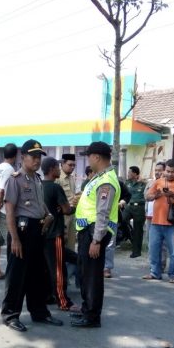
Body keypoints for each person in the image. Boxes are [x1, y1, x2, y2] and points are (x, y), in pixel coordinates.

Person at [1, 139, 62, 332]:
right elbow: (9, 211)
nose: (37, 160)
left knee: (38, 274)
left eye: (39, 156)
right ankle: (10, 315)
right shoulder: (15, 179)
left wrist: (48, 214)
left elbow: (39, 203)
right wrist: (15, 239)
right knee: (17, 275)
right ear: (23, 157)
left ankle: (39, 312)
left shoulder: (36, 179)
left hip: (37, 229)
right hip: (21, 231)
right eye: (33, 156)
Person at [71, 141, 121, 328]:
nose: (88, 160)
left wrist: (96, 240)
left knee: (92, 276)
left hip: (94, 232)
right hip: (89, 231)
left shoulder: (106, 181)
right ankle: (87, 309)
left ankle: (92, 316)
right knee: (86, 272)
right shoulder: (100, 177)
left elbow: (103, 213)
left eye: (89, 157)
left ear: (97, 157)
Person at [41, 157, 79, 312]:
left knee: (46, 267)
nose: (59, 169)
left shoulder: (39, 186)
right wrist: (76, 205)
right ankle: (63, 302)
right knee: (58, 269)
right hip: (54, 233)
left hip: (43, 234)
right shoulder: (55, 187)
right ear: (52, 169)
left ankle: (47, 296)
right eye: (57, 167)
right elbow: (66, 210)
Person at [143, 159, 174, 282]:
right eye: (167, 171)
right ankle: (155, 272)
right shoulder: (158, 182)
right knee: (154, 249)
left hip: (173, 223)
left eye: (172, 172)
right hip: (156, 222)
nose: (169, 174)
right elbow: (147, 196)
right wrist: (156, 195)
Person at [0, 143, 18, 280]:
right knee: (11, 241)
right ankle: (12, 273)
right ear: (15, 155)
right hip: (4, 211)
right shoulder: (9, 169)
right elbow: (1, 191)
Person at [104, 179, 131, 278]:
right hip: (94, 217)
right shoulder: (94, 181)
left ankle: (107, 268)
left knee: (110, 243)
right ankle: (95, 267)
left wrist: (122, 202)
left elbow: (127, 195)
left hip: (112, 217)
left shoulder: (116, 182)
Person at [121, 166, 146, 258]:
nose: (128, 174)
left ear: (135, 174)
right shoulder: (127, 183)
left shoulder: (143, 183)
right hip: (129, 206)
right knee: (122, 220)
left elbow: (150, 187)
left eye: (129, 172)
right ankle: (130, 235)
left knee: (138, 230)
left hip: (139, 207)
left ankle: (136, 252)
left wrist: (145, 181)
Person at [57, 153, 78, 252]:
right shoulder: (58, 178)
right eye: (70, 165)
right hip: (63, 216)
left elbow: (71, 195)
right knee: (62, 245)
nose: (72, 167)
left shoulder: (71, 178)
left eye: (74, 165)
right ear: (62, 164)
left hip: (72, 215)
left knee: (71, 244)